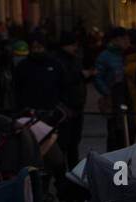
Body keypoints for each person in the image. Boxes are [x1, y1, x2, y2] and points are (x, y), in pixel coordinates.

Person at [55, 32, 90, 168]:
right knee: (65, 143)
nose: (76, 47)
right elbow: (64, 80)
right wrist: (81, 75)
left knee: (74, 143)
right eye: (73, 45)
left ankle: (73, 171)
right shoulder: (59, 61)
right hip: (65, 108)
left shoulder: (74, 58)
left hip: (76, 106)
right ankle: (63, 175)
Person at [94, 27, 130, 150]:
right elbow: (97, 77)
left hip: (126, 97)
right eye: (123, 38)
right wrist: (107, 93)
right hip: (113, 98)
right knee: (115, 131)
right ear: (115, 40)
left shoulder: (127, 54)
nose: (126, 41)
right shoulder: (105, 56)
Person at [13, 32, 64, 113]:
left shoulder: (55, 64)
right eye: (34, 47)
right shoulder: (22, 66)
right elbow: (17, 88)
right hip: (29, 110)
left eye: (39, 47)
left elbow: (62, 85)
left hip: (50, 110)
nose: (36, 50)